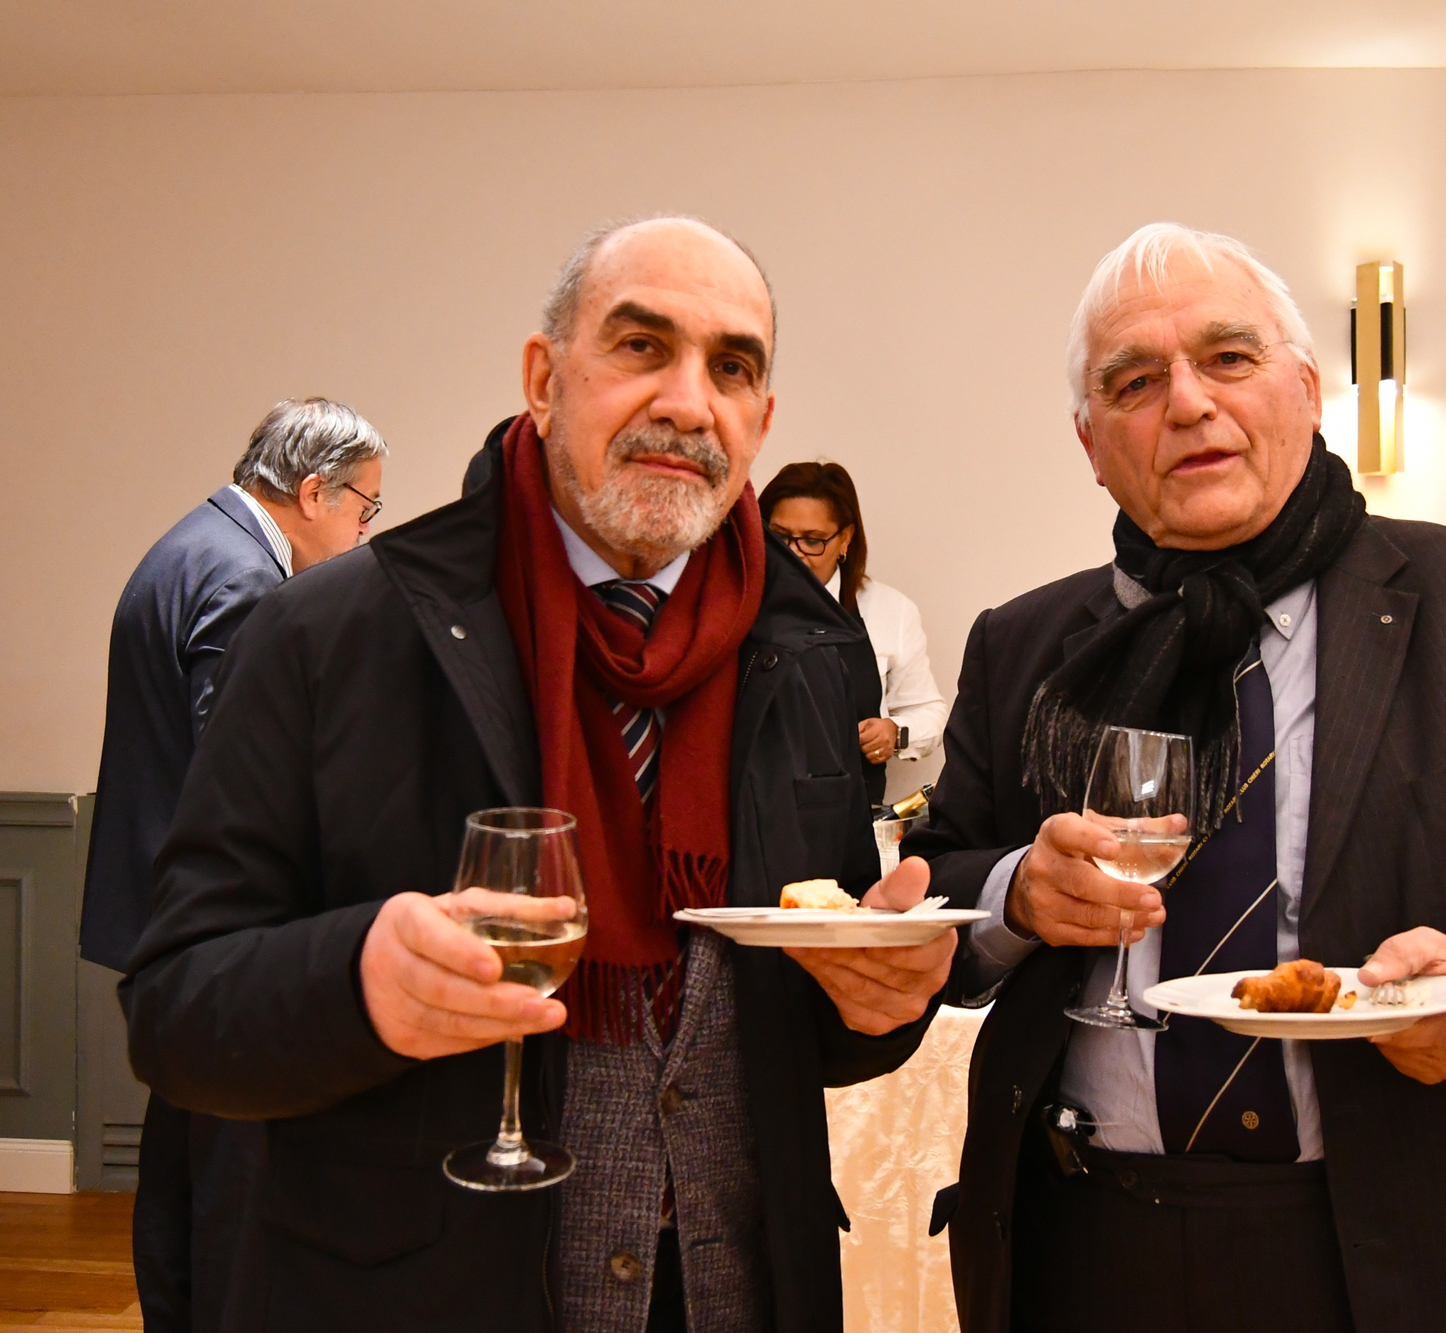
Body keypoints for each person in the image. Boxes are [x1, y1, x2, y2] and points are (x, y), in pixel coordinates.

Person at [122, 216, 954, 1332]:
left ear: (760, 419)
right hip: (427, 1294)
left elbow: (805, 1015)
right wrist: (357, 981)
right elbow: (175, 1007)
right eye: (640, 346)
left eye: (731, 367)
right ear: (544, 380)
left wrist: (879, 1005)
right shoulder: (329, 635)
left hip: (739, 1292)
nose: (686, 401)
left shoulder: (812, 649)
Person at [903, 222, 1446, 1333]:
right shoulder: (1024, 644)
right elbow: (939, 884)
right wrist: (1015, 894)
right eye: (1135, 382)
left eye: (1227, 358)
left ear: (1306, 389)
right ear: (1090, 443)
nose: (1187, 403)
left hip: (1411, 1262)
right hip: (1083, 1249)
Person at [79, 397, 387, 1333]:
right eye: (366, 508)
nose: (365, 531)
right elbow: (243, 770)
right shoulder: (247, 579)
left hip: (156, 900)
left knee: (180, 1156)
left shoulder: (190, 543)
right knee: (228, 1177)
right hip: (211, 921)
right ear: (313, 491)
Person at [759, 461, 948, 801]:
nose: (793, 553)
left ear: (845, 539)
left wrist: (894, 732)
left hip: (851, 813)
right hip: (755, 807)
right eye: (779, 537)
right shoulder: (734, 607)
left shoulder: (890, 610)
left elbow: (929, 714)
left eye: (812, 541)